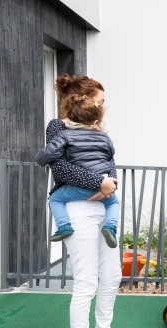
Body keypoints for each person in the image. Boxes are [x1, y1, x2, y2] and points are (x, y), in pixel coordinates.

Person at [45, 74, 132, 328]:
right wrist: (99, 182)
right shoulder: (58, 126)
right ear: (85, 99)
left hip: (100, 206)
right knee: (86, 282)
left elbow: (109, 162)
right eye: (102, 100)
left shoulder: (98, 129)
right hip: (76, 209)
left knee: (111, 276)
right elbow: (58, 167)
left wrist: (111, 183)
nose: (105, 106)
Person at [35, 93, 119, 248]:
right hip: (103, 186)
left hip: (77, 187)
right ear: (95, 121)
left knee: (54, 199)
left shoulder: (65, 135)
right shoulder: (105, 137)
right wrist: (109, 180)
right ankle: (110, 226)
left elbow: (49, 152)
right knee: (114, 203)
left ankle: (64, 226)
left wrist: (40, 160)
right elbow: (110, 157)